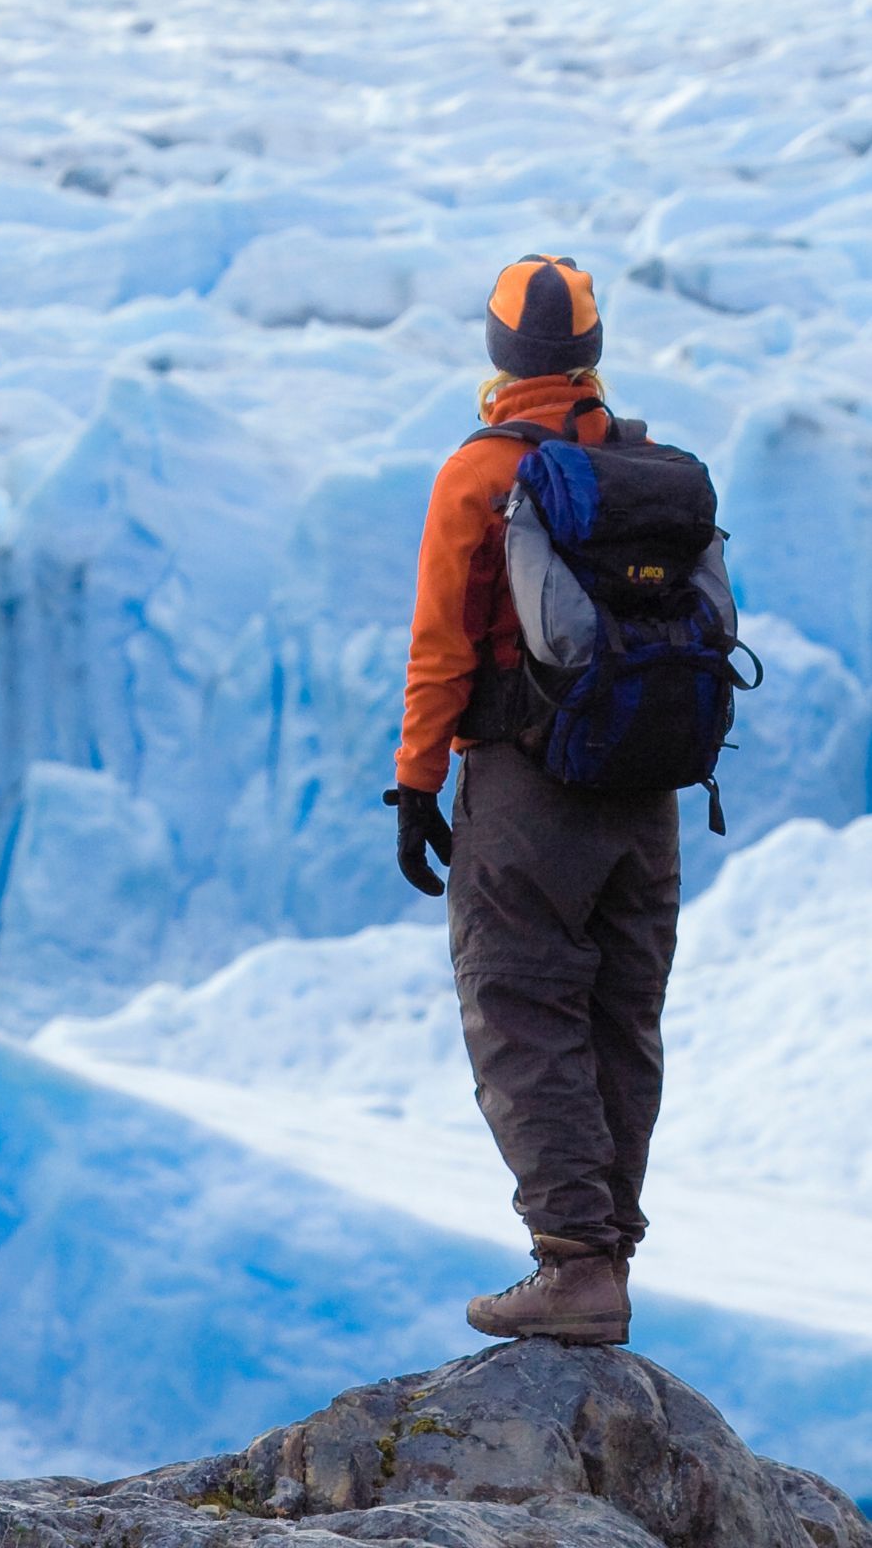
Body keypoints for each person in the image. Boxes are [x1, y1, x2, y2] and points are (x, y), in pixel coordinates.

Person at [386, 254, 680, 1346]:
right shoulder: (644, 466)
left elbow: (441, 645)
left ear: (504, 355)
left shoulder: (483, 472)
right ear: (590, 354)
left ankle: (571, 1260)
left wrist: (418, 784)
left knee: (520, 1004)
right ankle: (607, 1248)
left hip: (530, 778)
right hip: (647, 791)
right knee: (620, 1014)